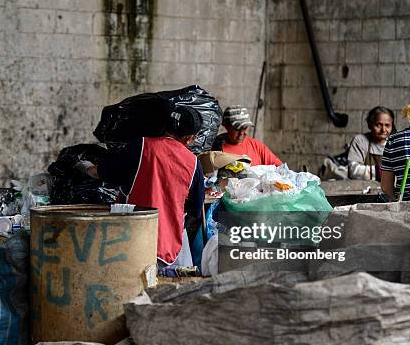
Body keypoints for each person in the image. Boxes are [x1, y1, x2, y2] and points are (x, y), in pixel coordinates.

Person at [75, 107, 205, 267]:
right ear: (189, 138)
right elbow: (196, 210)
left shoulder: (142, 146)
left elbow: (99, 173)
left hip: (130, 239)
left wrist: (84, 166)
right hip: (166, 246)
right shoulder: (193, 163)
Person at [212, 106, 282, 166]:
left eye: (245, 128)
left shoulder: (256, 146)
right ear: (226, 127)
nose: (242, 133)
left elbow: (279, 167)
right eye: (237, 129)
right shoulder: (216, 147)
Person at [347, 106, 396, 181]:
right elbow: (353, 171)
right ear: (370, 125)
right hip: (363, 189)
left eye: (387, 125)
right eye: (378, 125)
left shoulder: (396, 144)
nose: (383, 130)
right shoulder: (360, 141)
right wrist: (380, 172)